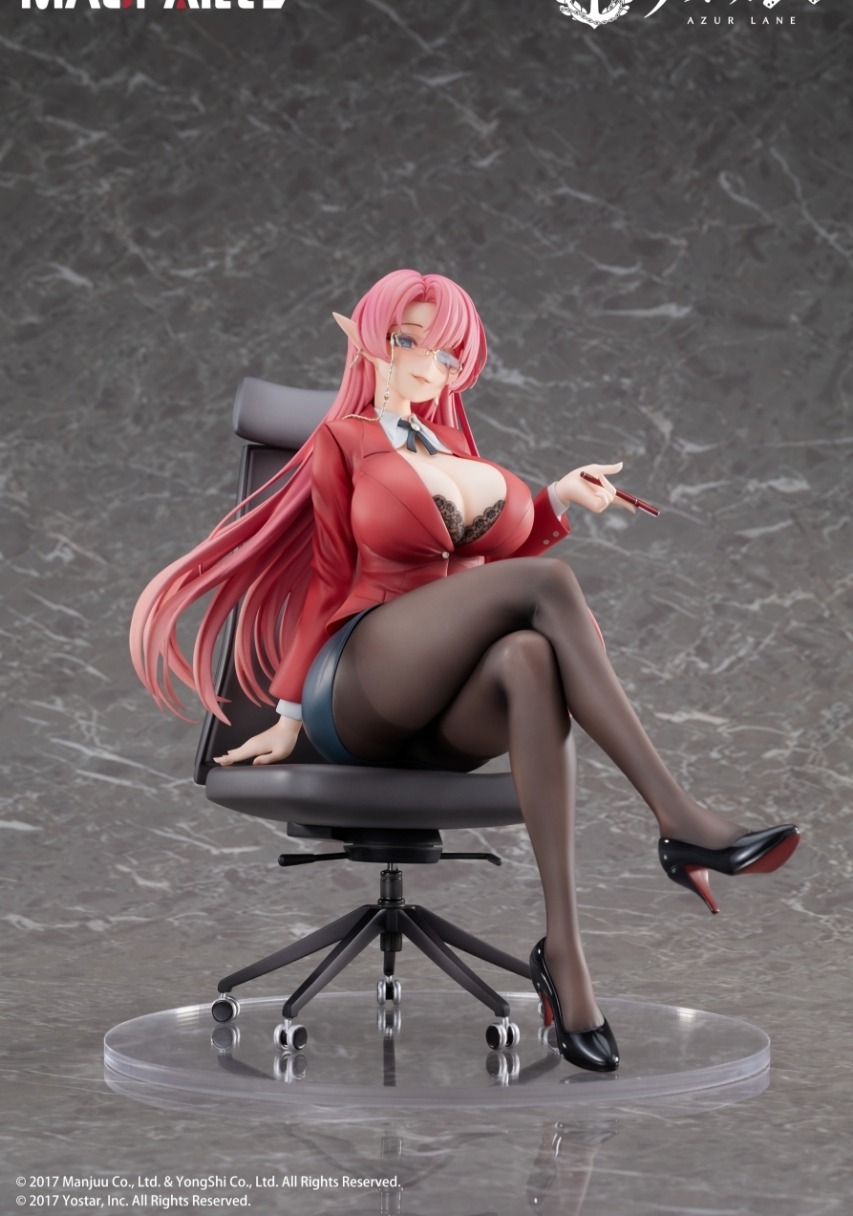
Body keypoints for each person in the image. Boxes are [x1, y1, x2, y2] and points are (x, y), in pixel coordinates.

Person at [130, 269, 799, 1073]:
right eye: (407, 341)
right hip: (362, 684)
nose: (427, 364)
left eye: (447, 354)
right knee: (548, 586)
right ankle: (679, 820)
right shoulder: (342, 441)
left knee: (528, 656)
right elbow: (328, 579)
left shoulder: (451, 445)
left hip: (444, 713)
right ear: (368, 341)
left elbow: (485, 573)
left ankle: (565, 952)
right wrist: (287, 714)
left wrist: (554, 501)